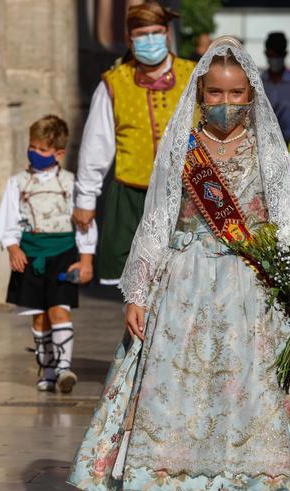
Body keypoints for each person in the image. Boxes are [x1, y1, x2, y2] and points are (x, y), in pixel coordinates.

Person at [68, 37, 290, 491]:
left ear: (251, 96)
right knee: (180, 393)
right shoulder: (181, 150)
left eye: (236, 94)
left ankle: (251, 477)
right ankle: (172, 478)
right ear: (199, 94)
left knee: (250, 391)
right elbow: (156, 222)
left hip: (252, 288)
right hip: (182, 286)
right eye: (216, 92)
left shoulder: (268, 153)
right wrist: (137, 292)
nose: (226, 103)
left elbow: (288, 225)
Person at [73, 1, 196, 285]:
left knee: (183, 279)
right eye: (142, 34)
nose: (150, 39)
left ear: (167, 33)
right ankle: (134, 330)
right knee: (133, 285)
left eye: (156, 32)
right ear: (129, 38)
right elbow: (96, 146)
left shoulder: (194, 77)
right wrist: (85, 200)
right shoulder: (114, 84)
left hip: (185, 194)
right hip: (131, 196)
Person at [0, 115, 97, 393]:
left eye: (43, 149)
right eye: (33, 147)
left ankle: (64, 367)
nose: (36, 153)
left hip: (63, 253)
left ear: (59, 153)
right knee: (39, 315)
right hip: (30, 255)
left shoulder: (71, 184)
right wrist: (13, 246)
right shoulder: (17, 183)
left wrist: (86, 258)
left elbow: (85, 220)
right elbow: (9, 218)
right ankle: (48, 367)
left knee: (59, 309)